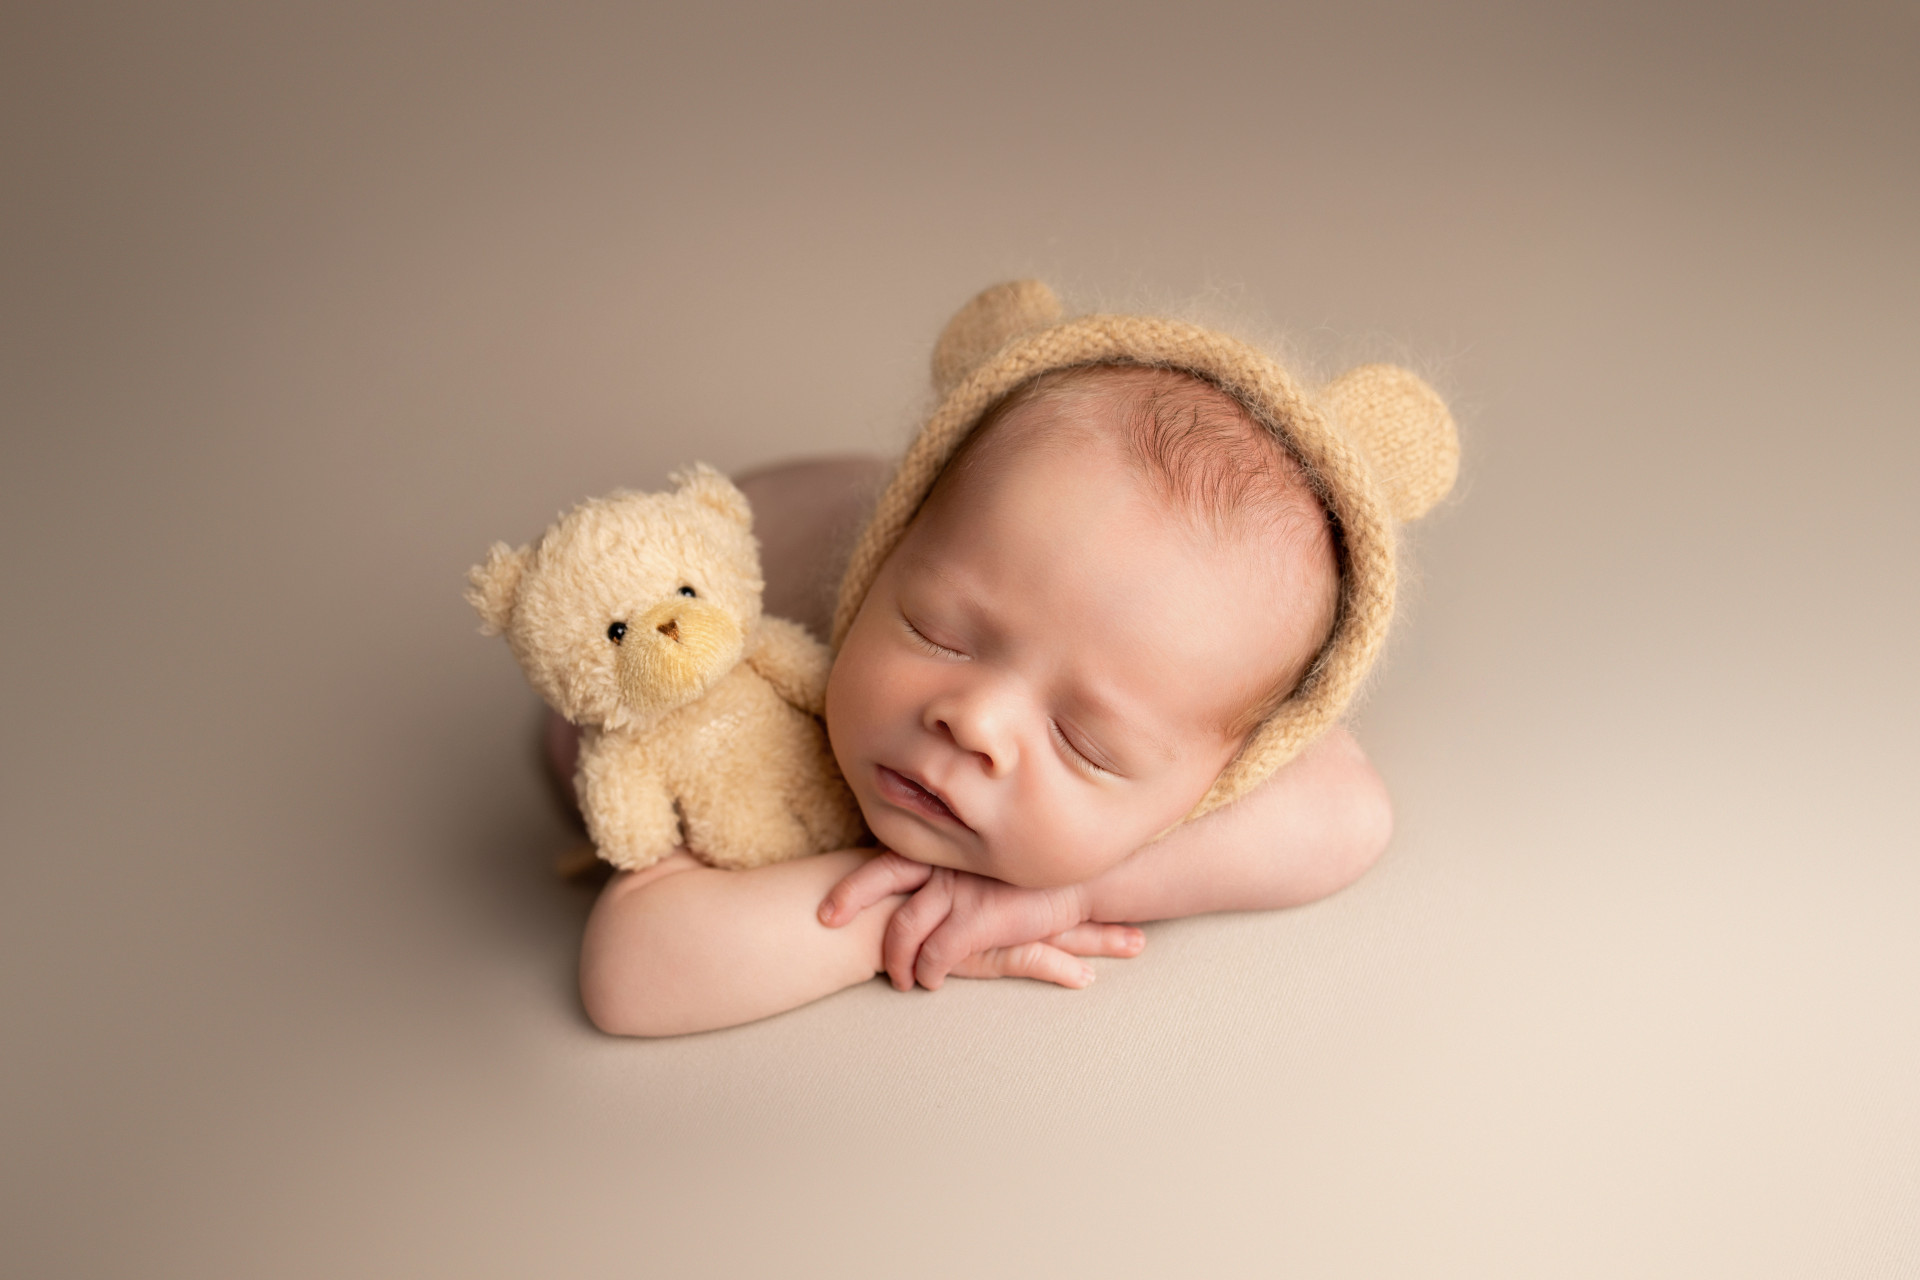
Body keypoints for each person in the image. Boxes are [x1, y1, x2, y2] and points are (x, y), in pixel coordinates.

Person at [575, 282, 1457, 1036]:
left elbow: (1349, 810)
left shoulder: (1173, 699)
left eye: (1085, 742)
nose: (975, 722)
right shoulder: (745, 700)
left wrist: (1069, 892)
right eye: (938, 632)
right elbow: (631, 971)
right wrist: (894, 914)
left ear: (1222, 774)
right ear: (882, 557)